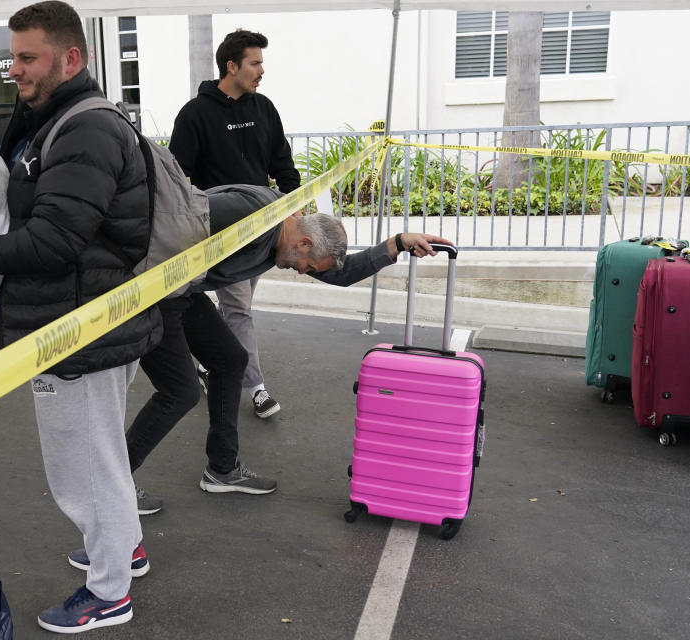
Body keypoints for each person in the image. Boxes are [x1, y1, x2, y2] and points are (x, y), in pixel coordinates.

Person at [0, 1, 159, 634]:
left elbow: (54, 240)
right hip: (82, 320)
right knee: (99, 456)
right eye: (11, 57)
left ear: (70, 58)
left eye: (27, 58)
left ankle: (109, 593)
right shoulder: (51, 120)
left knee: (84, 470)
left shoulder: (85, 128)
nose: (13, 70)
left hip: (77, 329)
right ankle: (124, 551)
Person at [124, 183, 451, 500]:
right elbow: (168, 219)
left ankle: (221, 469)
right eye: (307, 266)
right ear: (305, 242)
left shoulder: (288, 235)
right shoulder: (248, 216)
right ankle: (116, 487)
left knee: (230, 361)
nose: (302, 271)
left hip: (181, 293)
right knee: (181, 391)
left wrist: (397, 243)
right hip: (148, 290)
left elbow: (340, 273)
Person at [169, 29, 300, 420]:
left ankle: (214, 363)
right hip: (219, 233)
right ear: (232, 66)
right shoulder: (195, 114)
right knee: (238, 306)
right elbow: (179, 177)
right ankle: (256, 386)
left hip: (266, 228)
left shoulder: (264, 108)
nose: (262, 70)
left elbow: (282, 163)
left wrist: (292, 209)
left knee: (237, 305)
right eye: (255, 62)